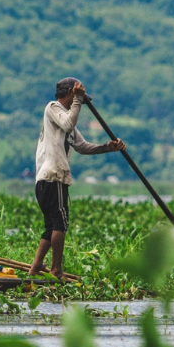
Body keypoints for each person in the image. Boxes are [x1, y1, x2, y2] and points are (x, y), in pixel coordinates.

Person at [29, 77, 126, 281]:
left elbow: (82, 147)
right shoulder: (53, 108)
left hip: (54, 178)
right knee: (60, 223)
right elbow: (68, 122)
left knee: (52, 225)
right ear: (70, 94)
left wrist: (107, 148)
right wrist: (77, 101)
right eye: (77, 98)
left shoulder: (67, 120)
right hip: (52, 176)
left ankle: (36, 266)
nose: (79, 103)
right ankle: (56, 269)